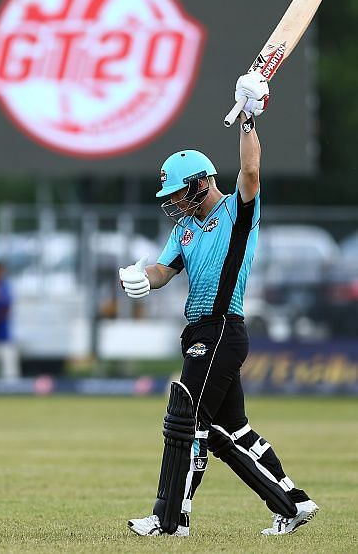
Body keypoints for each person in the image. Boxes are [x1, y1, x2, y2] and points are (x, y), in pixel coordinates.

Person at [119, 72, 319, 537]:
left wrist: (248, 116)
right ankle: (293, 503)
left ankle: (171, 520)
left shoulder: (236, 210)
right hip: (199, 331)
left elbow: (250, 172)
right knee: (234, 431)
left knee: (186, 424)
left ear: (201, 183)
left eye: (178, 193)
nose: (174, 204)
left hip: (223, 329)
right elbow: (165, 271)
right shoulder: (183, 230)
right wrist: (141, 278)